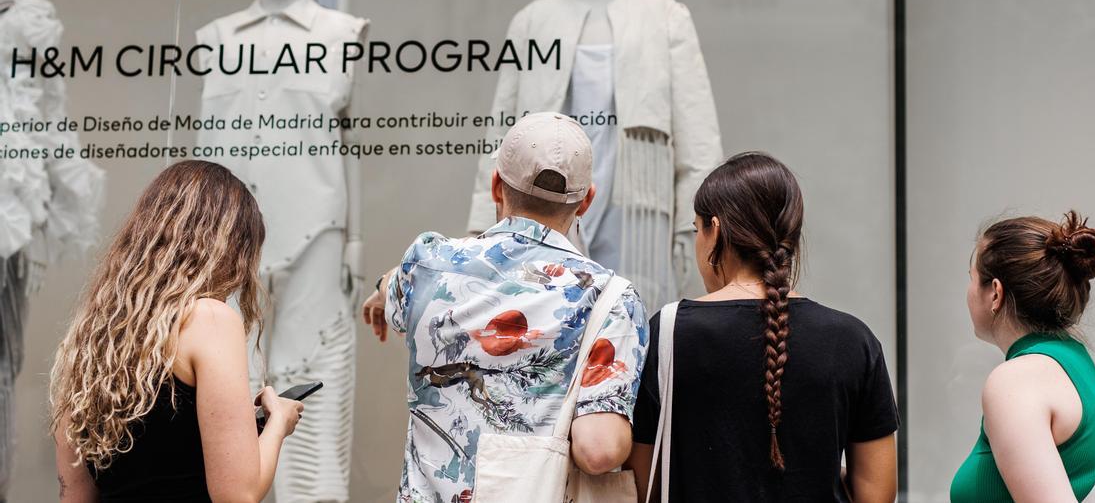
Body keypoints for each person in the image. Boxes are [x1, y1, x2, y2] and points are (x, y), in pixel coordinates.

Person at [362, 112, 648, 503]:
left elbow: (393, 287)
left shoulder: (427, 264)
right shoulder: (610, 300)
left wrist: (381, 290)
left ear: (495, 185)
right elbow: (598, 451)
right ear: (586, 202)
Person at [630, 152, 898, 502]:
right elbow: (877, 494)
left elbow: (641, 481)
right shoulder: (853, 340)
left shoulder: (669, 332)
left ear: (716, 230)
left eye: (697, 230)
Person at [50, 160, 304, 502]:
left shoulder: (90, 339)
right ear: (227, 249)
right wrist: (277, 424)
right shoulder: (208, 319)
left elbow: (75, 494)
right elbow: (237, 495)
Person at [951, 211, 1095, 501]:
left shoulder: (1016, 381)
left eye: (972, 278)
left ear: (995, 293)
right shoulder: (1083, 374)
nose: (967, 291)